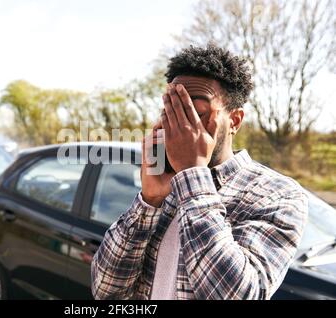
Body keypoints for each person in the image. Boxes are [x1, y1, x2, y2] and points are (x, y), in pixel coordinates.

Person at [91, 44, 308, 300]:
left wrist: (193, 174)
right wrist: (149, 201)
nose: (181, 126)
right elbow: (105, 290)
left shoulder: (277, 195)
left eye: (197, 113)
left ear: (235, 121)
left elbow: (237, 295)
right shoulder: (164, 184)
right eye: (172, 112)